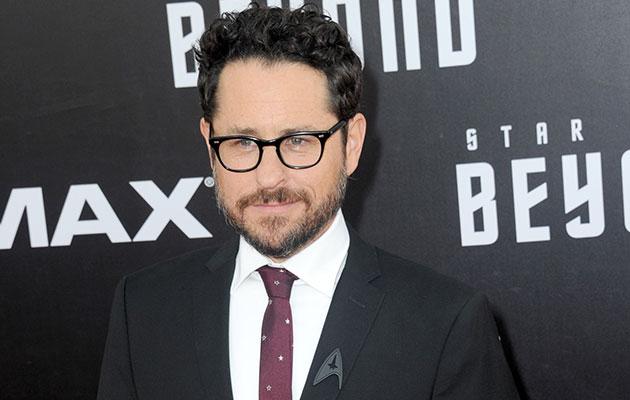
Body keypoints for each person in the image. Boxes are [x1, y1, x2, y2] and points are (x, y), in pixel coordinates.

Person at [97, 3, 520, 399]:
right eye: (243, 142)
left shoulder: (445, 323)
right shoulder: (144, 310)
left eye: (299, 141)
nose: (268, 177)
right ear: (210, 146)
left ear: (351, 144)